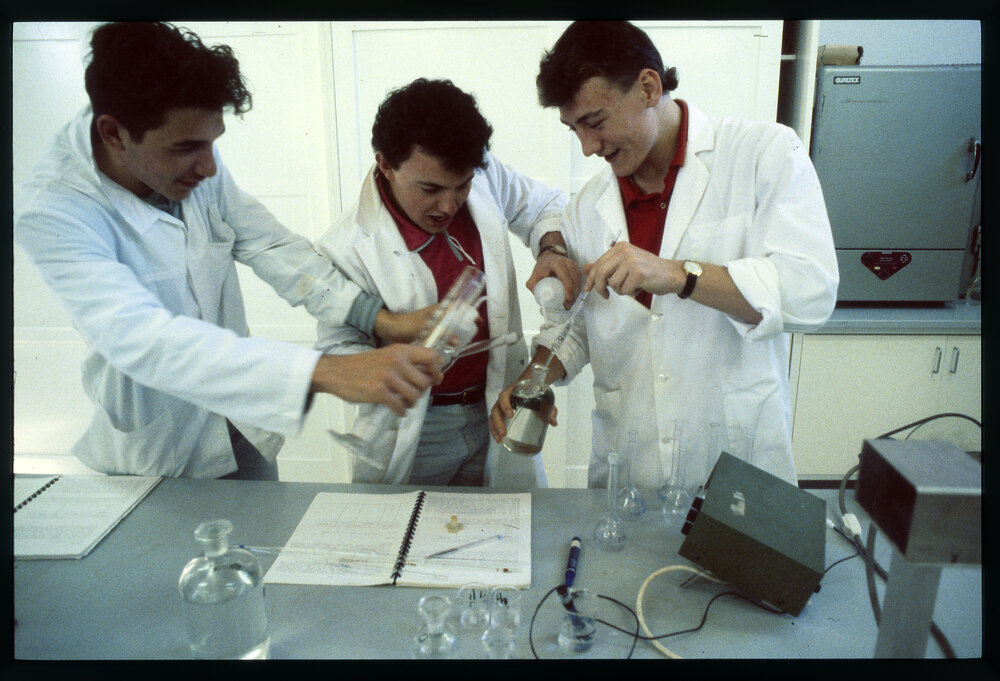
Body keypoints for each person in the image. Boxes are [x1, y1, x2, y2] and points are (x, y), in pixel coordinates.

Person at [13, 22, 444, 480]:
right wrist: (326, 371)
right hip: (159, 447)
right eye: (187, 148)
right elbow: (143, 338)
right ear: (114, 134)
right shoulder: (55, 210)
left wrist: (381, 320)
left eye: (213, 143)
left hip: (240, 426)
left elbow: (270, 245)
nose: (209, 167)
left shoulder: (186, 160)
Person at [490, 21, 839, 488]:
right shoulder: (587, 208)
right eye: (575, 129)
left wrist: (678, 274)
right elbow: (577, 327)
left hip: (733, 460)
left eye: (595, 122)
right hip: (628, 467)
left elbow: (809, 291)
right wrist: (534, 379)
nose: (588, 147)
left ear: (649, 87)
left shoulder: (763, 154)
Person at [314, 78, 577, 488]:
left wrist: (551, 249)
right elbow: (337, 347)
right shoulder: (345, 248)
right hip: (418, 427)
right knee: (406, 525)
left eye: (462, 186)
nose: (449, 205)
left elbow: (546, 205)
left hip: (497, 404)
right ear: (385, 164)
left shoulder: (483, 171)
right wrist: (390, 360)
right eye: (430, 189)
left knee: (505, 521)